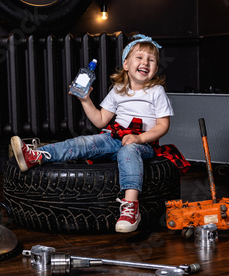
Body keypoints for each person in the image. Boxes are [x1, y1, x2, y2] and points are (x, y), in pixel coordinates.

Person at [10, 34, 189, 233]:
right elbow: (100, 121)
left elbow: (162, 126)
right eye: (139, 57)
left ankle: (130, 209)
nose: (145, 62)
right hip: (114, 137)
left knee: (128, 152)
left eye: (151, 59)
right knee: (85, 142)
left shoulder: (156, 91)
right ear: (126, 64)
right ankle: (37, 156)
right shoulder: (118, 90)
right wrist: (86, 100)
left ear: (155, 68)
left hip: (142, 143)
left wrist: (139, 138)